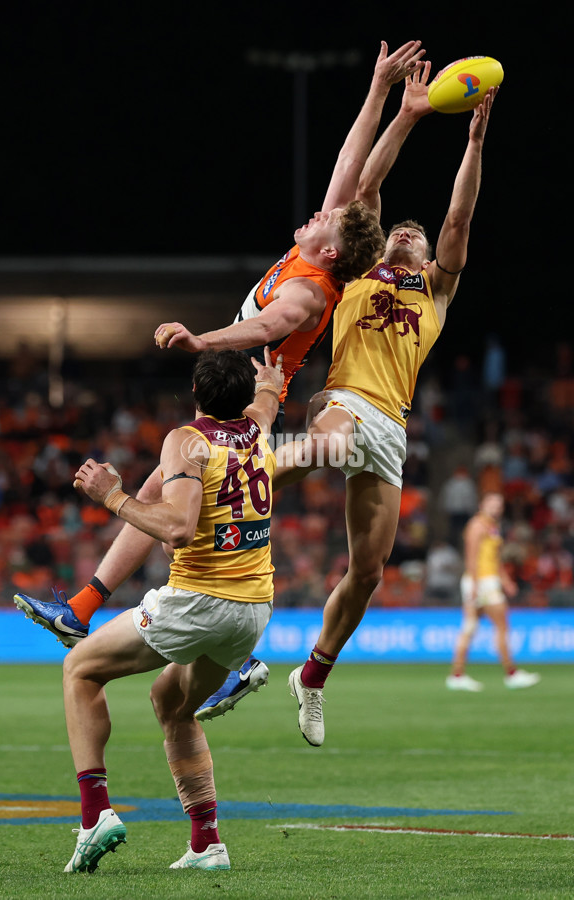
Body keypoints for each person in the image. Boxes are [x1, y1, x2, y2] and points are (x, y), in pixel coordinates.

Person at [14, 39, 426, 713]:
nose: (318, 210)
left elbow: (265, 329)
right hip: (245, 404)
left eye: (322, 218)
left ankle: (223, 656)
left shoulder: (311, 289)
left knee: (185, 506)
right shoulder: (316, 251)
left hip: (251, 408)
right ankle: (89, 609)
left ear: (325, 246)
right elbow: (349, 167)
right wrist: (382, 94)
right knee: (170, 492)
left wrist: (200, 337)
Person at [268, 83, 501, 745]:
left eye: (415, 234)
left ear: (427, 257)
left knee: (368, 571)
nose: (406, 230)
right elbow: (369, 181)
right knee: (323, 446)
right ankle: (229, 492)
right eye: (400, 227)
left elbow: (459, 221)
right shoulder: (360, 267)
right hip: (346, 399)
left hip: (390, 427)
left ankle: (312, 675)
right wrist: (407, 117)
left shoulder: (437, 288)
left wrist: (475, 142)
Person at [62, 347, 283, 874]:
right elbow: (269, 402)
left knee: (80, 670)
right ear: (247, 397)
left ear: (196, 395)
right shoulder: (259, 428)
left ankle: (95, 815)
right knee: (172, 703)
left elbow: (180, 527)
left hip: (199, 601)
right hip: (253, 608)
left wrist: (112, 495)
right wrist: (272, 380)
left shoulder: (186, 440)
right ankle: (207, 843)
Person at [446, 492, 540, 691]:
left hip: (485, 580)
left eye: (499, 505)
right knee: (501, 626)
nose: (497, 508)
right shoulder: (477, 526)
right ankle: (511, 674)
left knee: (470, 627)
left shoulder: (491, 526)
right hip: (482, 581)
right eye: (492, 504)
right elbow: (471, 557)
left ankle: (457, 675)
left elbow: (495, 558)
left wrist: (505, 581)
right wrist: (473, 584)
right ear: (482, 505)